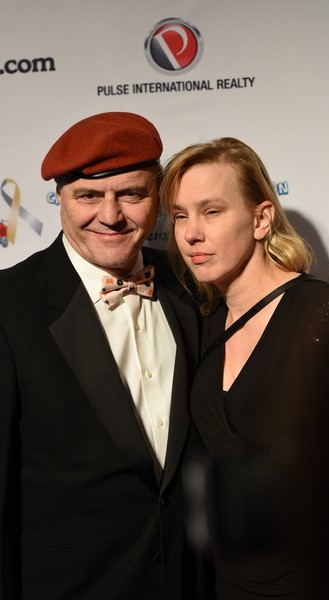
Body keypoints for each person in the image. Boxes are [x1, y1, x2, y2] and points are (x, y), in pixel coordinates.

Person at [0, 112, 208, 600]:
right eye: (89, 196)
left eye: (131, 194)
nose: (110, 215)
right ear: (60, 198)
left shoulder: (194, 289)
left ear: (158, 196)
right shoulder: (9, 307)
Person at [160, 136, 329, 599]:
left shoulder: (321, 314)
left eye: (212, 211)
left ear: (261, 219)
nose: (191, 234)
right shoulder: (206, 320)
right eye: (180, 216)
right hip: (229, 581)